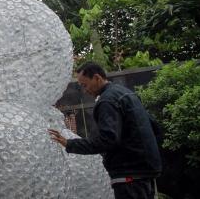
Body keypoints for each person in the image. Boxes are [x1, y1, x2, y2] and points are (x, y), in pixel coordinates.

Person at [48, 62, 162, 199]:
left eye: (85, 85)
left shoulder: (107, 101)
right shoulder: (126, 93)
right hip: (145, 171)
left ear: (97, 78)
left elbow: (107, 140)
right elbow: (154, 127)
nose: (84, 90)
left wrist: (70, 143)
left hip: (128, 173)